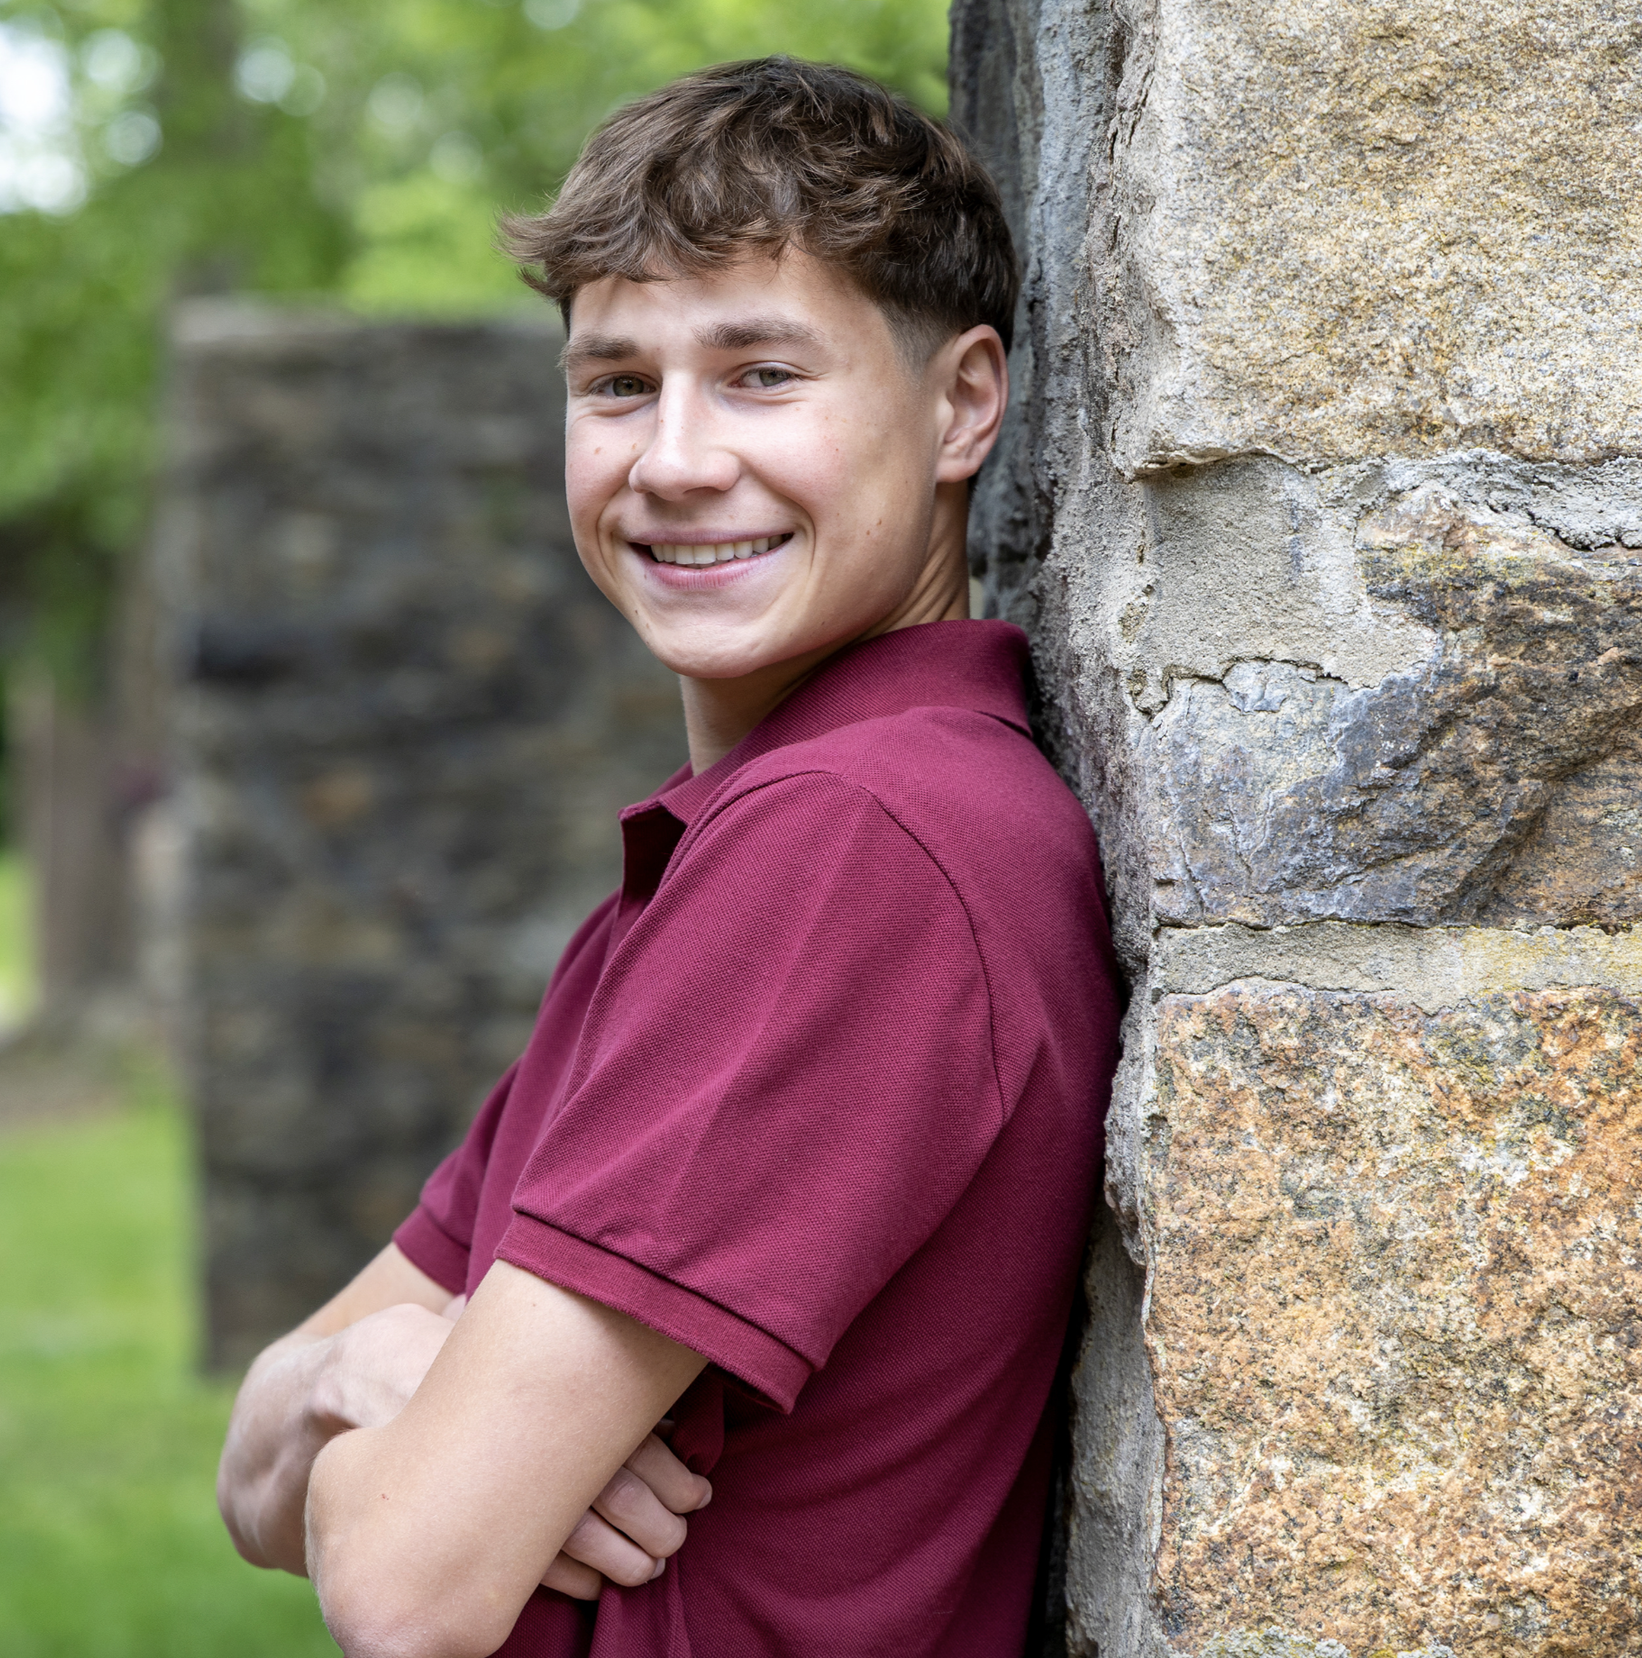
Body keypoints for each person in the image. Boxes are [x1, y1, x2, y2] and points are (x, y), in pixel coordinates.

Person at [215, 56, 1121, 1658]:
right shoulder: (722, 858)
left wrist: (393, 1441)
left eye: (763, 372)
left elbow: (402, 1581)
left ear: (963, 403)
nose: (676, 460)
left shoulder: (854, 845)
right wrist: (365, 1378)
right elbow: (249, 1471)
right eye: (617, 383)